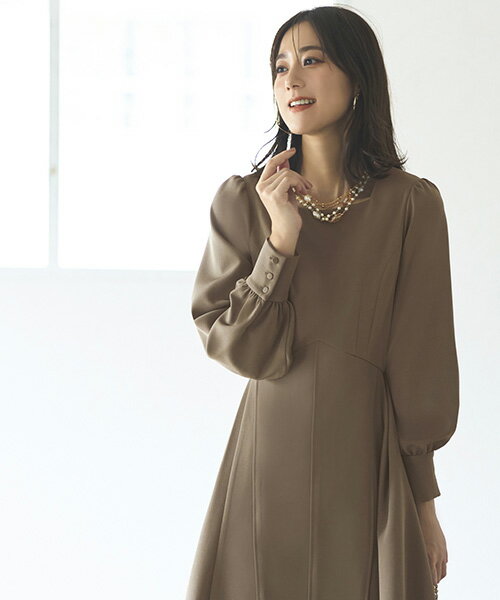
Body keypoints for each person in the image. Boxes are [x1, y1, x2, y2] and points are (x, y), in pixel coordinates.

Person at [186, 6, 459, 600]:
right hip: (267, 459)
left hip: (367, 456)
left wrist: (425, 503)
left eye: (311, 60)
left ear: (357, 76)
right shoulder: (243, 202)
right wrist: (280, 241)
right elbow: (236, 347)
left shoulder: (411, 205)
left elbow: (421, 361)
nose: (291, 80)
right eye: (280, 67)